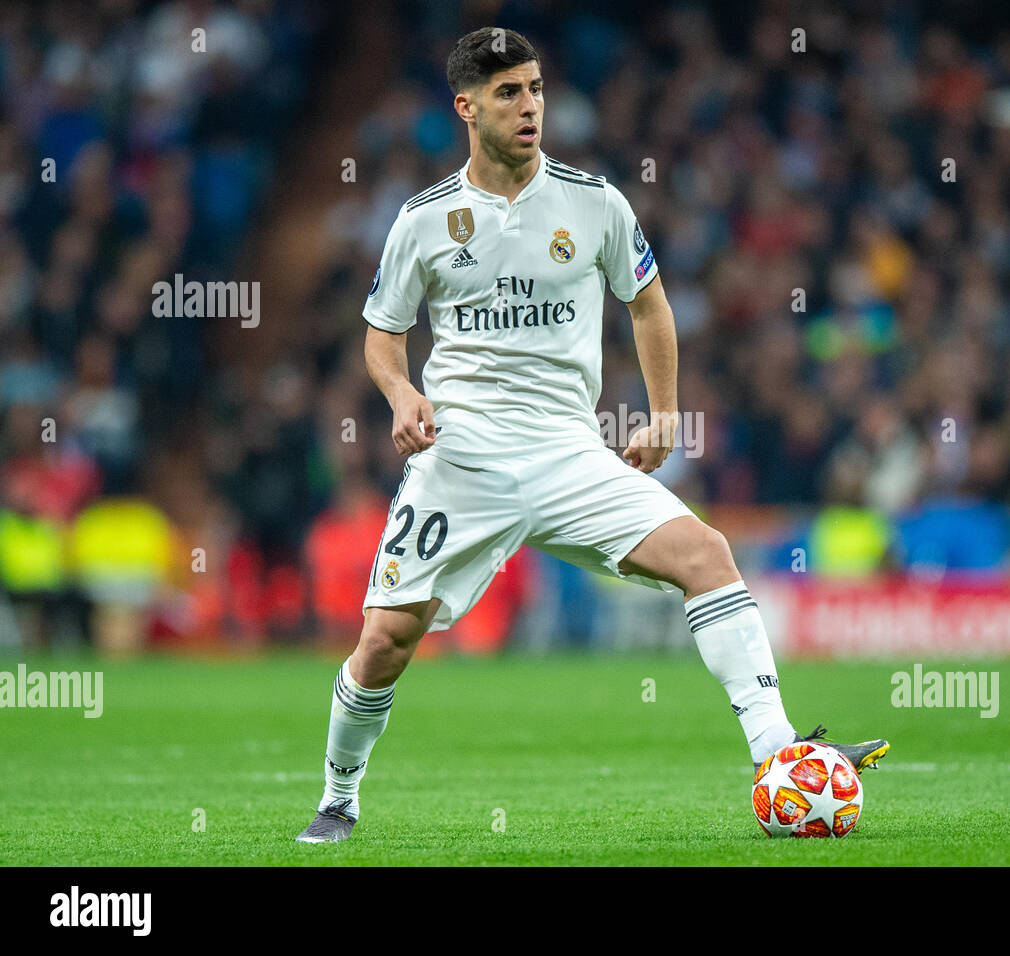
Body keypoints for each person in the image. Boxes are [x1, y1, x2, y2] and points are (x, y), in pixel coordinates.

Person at [296, 27, 889, 843]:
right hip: (462, 459)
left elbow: (647, 303)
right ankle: (339, 793)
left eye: (535, 88)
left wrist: (665, 410)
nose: (530, 105)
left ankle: (779, 753)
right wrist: (399, 392)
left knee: (706, 556)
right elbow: (382, 331)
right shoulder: (425, 221)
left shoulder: (596, 204)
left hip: (571, 454)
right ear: (466, 107)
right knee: (385, 641)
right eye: (508, 93)